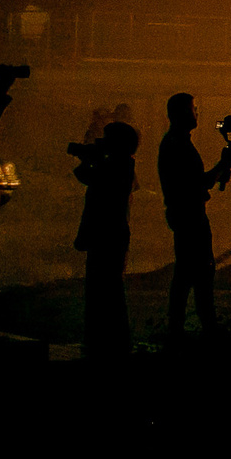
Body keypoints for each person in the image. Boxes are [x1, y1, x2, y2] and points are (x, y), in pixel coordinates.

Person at [157, 94, 231, 340]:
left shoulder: (174, 142)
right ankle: (207, 327)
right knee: (200, 272)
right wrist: (222, 165)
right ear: (182, 113)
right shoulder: (178, 145)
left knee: (186, 273)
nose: (197, 113)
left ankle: (179, 328)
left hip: (184, 214)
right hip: (190, 215)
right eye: (194, 108)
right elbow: (197, 183)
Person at [73, 119, 138, 358]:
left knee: (105, 291)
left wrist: (88, 157)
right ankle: (110, 341)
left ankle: (106, 343)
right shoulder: (120, 165)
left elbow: (88, 177)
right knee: (107, 291)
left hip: (107, 236)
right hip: (110, 235)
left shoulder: (118, 167)